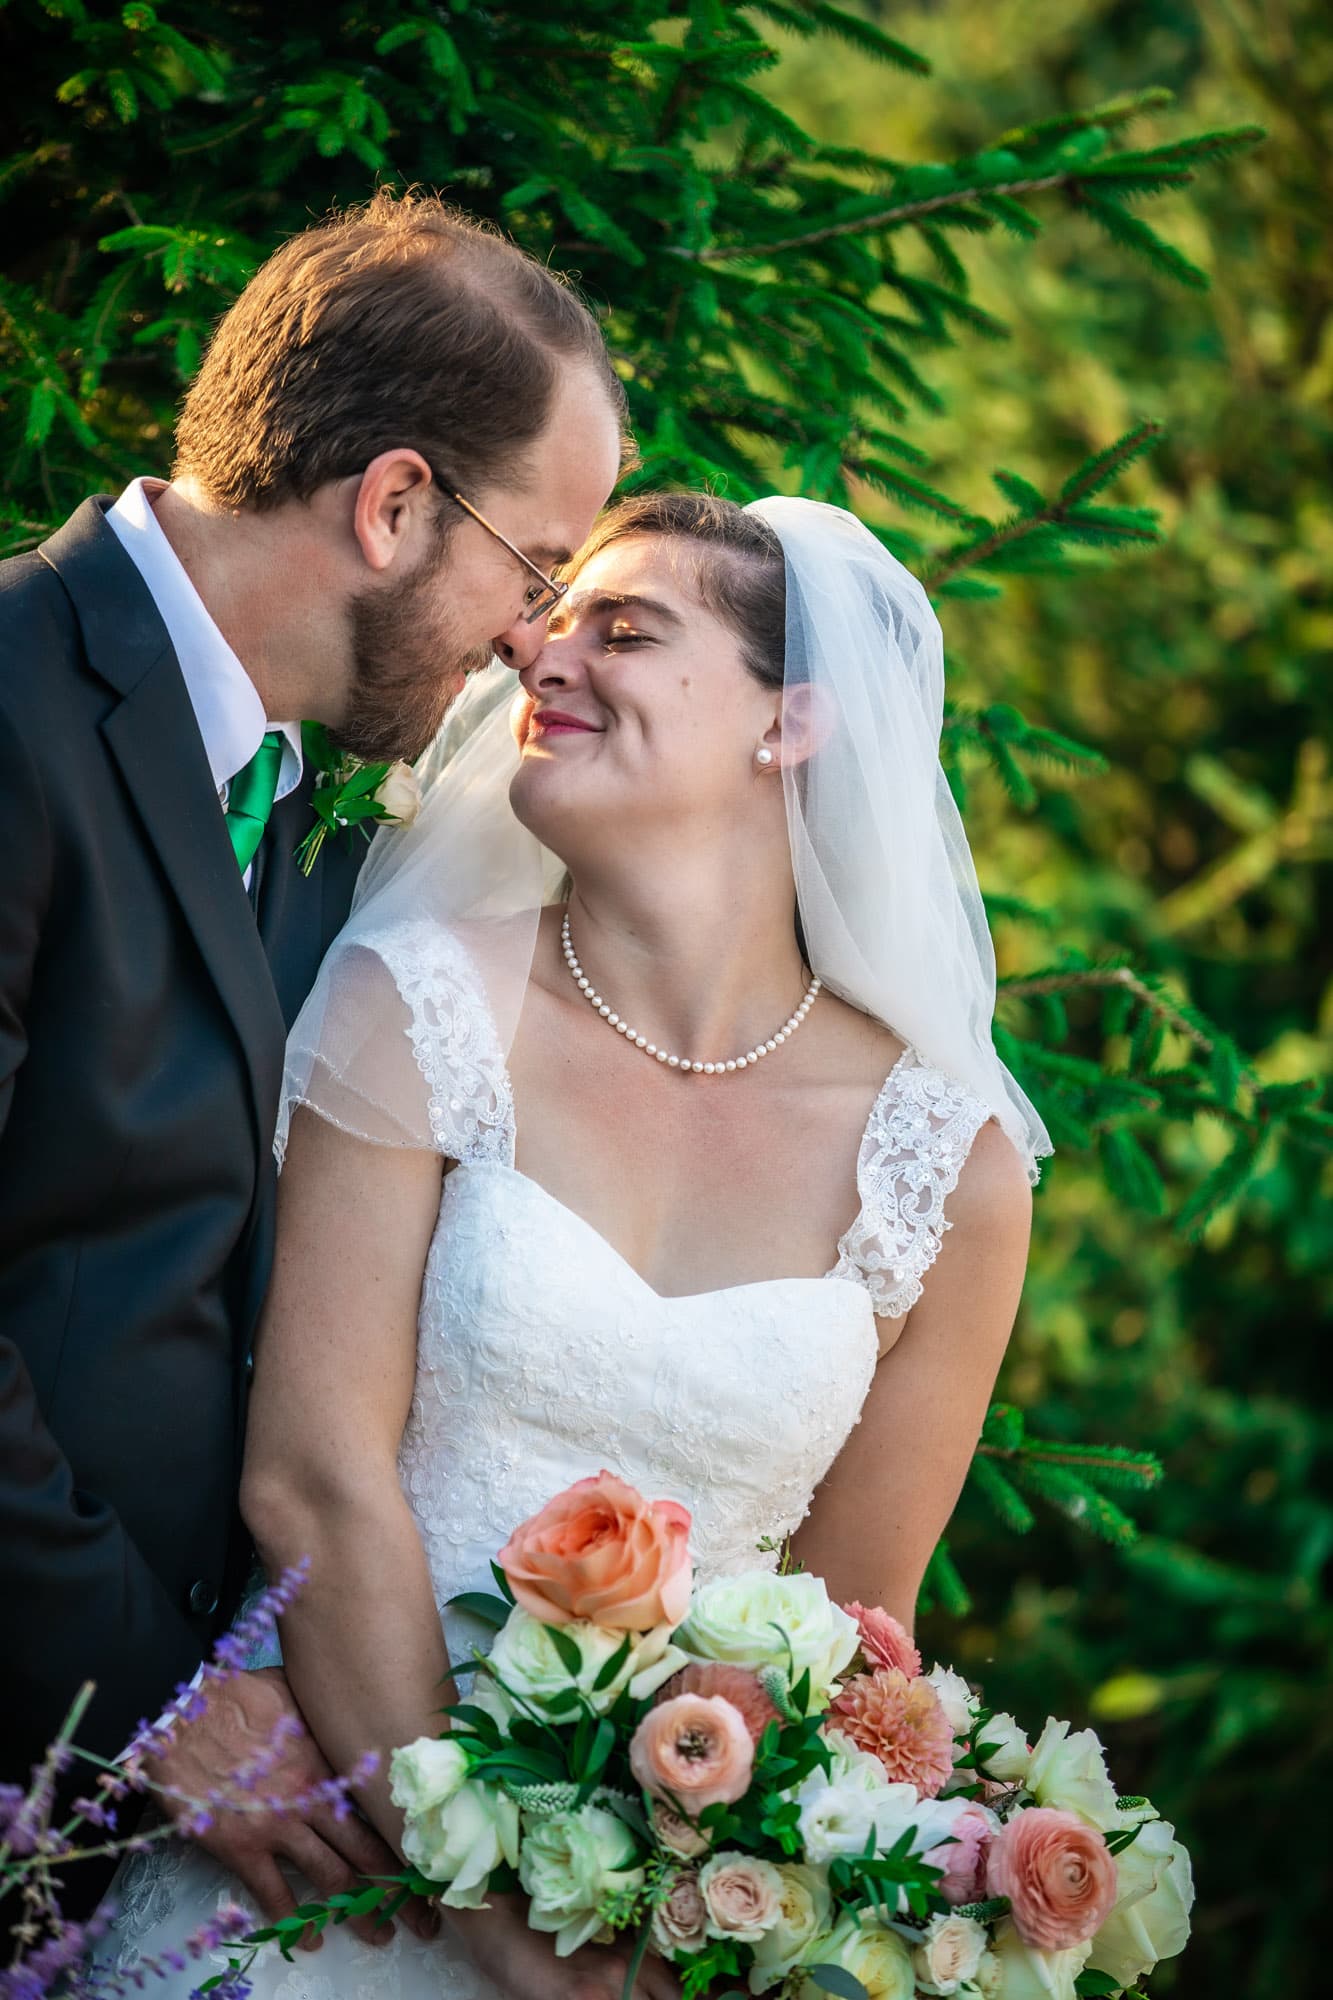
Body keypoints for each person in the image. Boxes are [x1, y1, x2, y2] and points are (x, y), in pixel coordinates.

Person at [95, 492, 1049, 1998]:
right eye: (552, 616)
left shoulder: (953, 1162)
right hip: (337, 1854)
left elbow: (866, 1632)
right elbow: (315, 1481)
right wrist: (497, 1926)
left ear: (788, 724)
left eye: (626, 629)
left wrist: (780, 1914)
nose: (542, 650)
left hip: (665, 1925)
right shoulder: (413, 1005)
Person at [0, 186, 626, 1931]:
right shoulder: (5, 698)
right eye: (538, 567)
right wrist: (151, 1697)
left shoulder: (280, 801)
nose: (532, 637)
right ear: (395, 502)